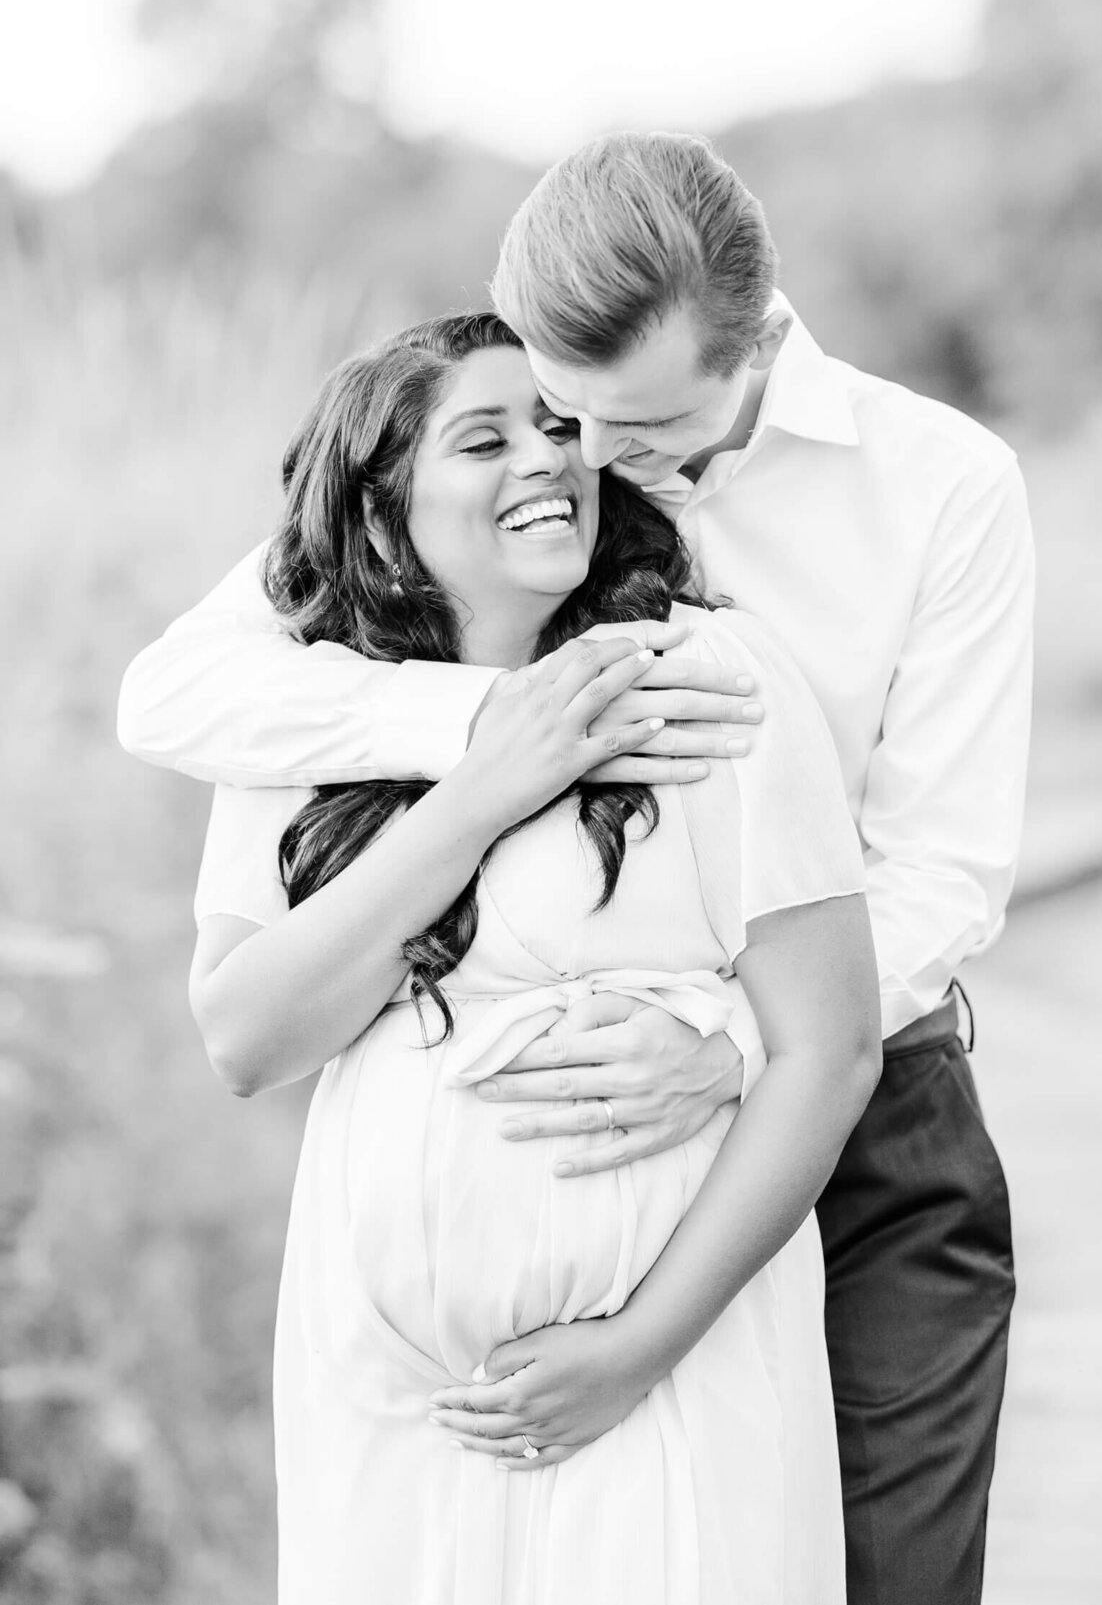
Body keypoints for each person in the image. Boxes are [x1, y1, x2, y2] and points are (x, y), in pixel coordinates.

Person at [118, 131, 1034, 1605]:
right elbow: (172, 694)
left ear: (759, 337)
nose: (586, 466)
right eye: (552, 413)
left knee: (887, 1574)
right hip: (427, 1334)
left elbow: (942, 867)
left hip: (856, 1113)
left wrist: (727, 1039)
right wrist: (497, 733)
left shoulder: (938, 488)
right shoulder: (492, 457)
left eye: (640, 432)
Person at [184, 309, 881, 1603]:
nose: (544, 460)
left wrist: (638, 1344)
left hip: (674, 1370)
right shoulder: (302, 714)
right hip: (392, 1395)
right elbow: (245, 1036)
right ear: (390, 500)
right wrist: (485, 783)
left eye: (561, 427)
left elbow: (828, 1046)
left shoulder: (703, 677)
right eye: (484, 436)